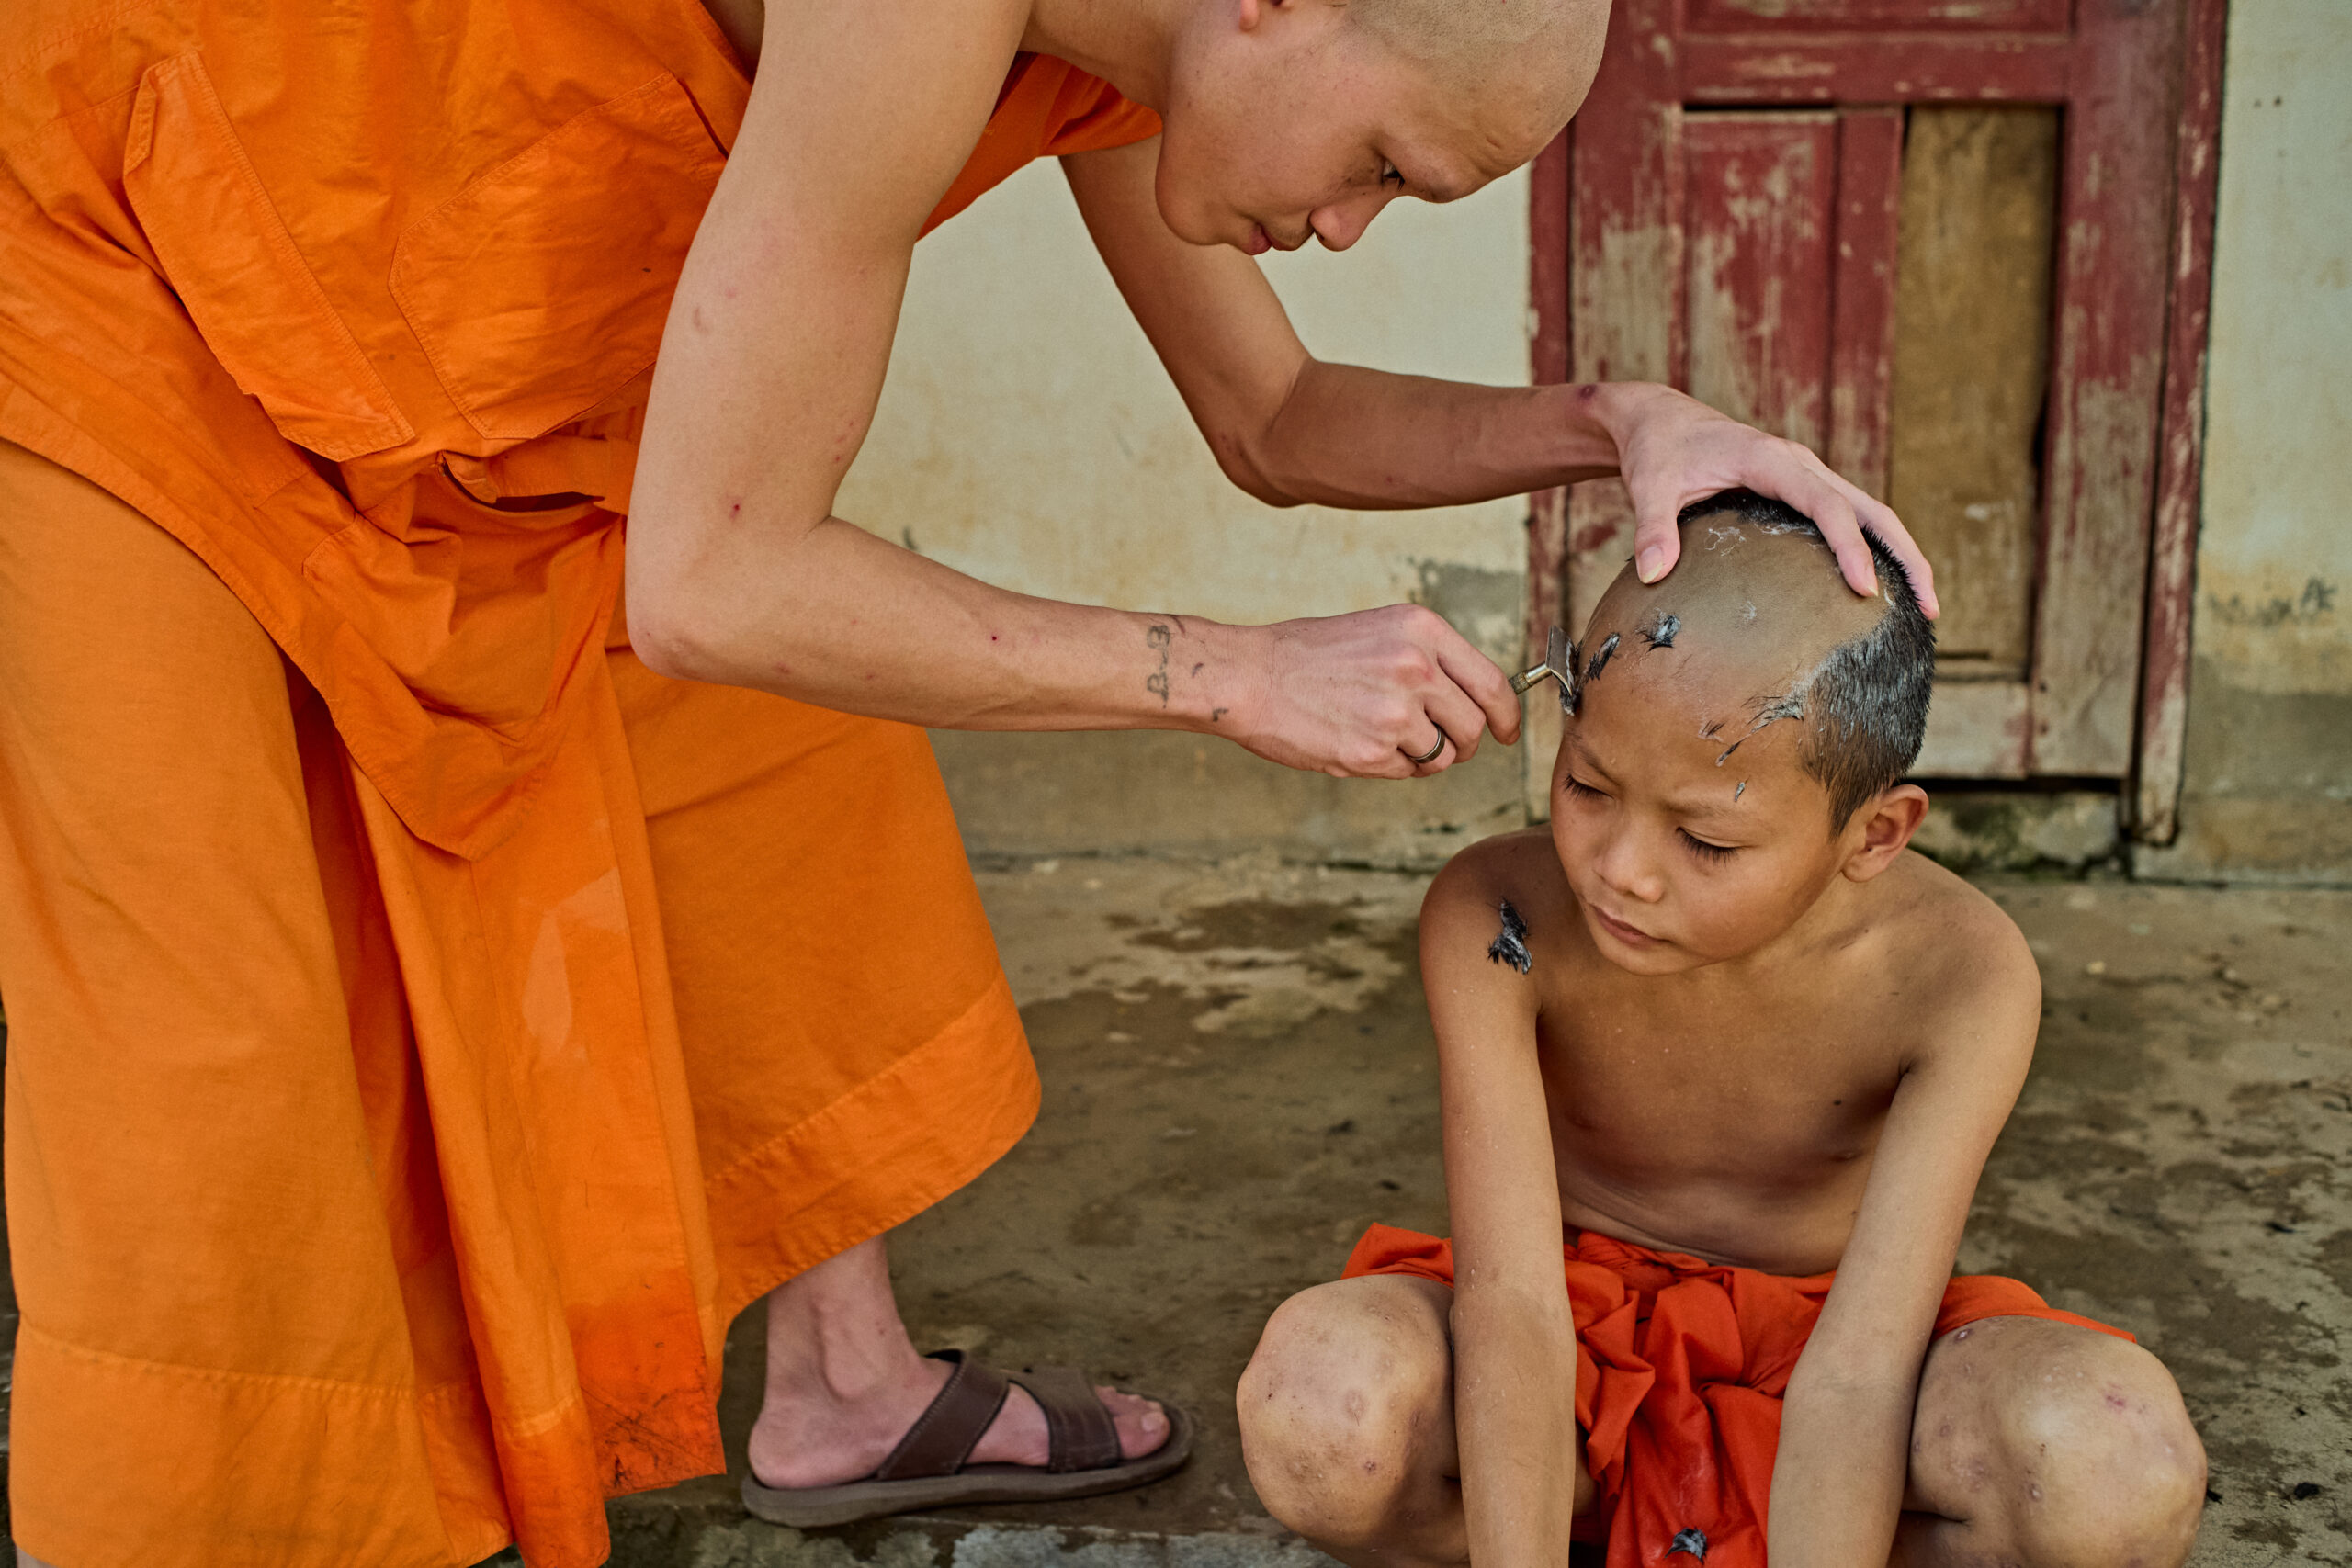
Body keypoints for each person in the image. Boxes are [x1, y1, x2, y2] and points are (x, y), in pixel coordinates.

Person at [0, 0, 1938, 1559]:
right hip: (113, 285)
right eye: (1377, 168)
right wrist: (1221, 674)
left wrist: (1616, 423)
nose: (1349, 227)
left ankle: (839, 1382)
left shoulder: (1113, 41)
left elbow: (1273, 417)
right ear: (1272, 8)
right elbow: (709, 577)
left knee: (786, 795)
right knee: (218, 1059)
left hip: (475, 383)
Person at [1236, 491, 2206, 1568]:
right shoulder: (1493, 917)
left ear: (1874, 834)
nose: (1620, 871)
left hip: (1830, 1357)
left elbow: (1863, 1367)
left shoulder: (1960, 974)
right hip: (1564, 1359)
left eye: (1706, 841)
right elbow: (1510, 1310)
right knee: (1314, 1409)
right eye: (1586, 784)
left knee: (2115, 1473)